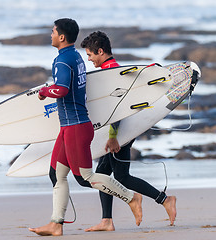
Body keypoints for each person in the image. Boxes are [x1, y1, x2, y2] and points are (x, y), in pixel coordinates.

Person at [28, 19, 143, 237]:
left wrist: (45, 92)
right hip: (69, 127)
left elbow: (61, 89)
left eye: (53, 32)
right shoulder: (77, 58)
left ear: (61, 37)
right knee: (57, 174)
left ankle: (131, 197)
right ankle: (56, 224)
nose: (50, 35)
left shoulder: (62, 61)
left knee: (85, 177)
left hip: (76, 127)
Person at [80, 31, 177, 232]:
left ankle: (165, 200)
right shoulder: (110, 71)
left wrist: (114, 137)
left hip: (120, 133)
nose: (89, 60)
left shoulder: (112, 73)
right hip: (117, 133)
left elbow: (119, 109)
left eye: (90, 55)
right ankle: (106, 220)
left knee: (122, 177)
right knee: (102, 173)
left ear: (100, 51)